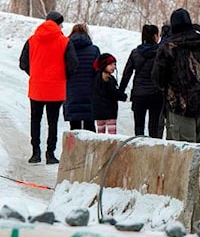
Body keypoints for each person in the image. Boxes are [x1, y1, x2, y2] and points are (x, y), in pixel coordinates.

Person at [151, 8, 200, 143]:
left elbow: (158, 77)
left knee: (182, 152)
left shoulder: (168, 47)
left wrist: (169, 92)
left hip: (180, 106)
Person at [19, 11, 78, 164]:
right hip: (56, 88)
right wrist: (63, 76)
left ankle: (35, 153)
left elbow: (23, 63)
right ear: (59, 24)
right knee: (52, 121)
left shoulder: (32, 40)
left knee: (35, 120)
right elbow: (73, 64)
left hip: (36, 87)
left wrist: (35, 73)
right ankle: (50, 154)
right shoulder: (64, 41)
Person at [119, 24, 164, 137]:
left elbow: (127, 73)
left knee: (139, 127)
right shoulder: (160, 52)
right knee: (154, 127)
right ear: (155, 36)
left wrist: (121, 90)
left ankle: (138, 149)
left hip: (139, 94)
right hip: (156, 94)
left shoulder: (135, 53)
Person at [63, 23, 100, 132]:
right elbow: (98, 71)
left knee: (74, 129)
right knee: (90, 127)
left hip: (71, 92)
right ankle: (92, 148)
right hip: (90, 93)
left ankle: (74, 149)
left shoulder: (66, 50)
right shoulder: (94, 50)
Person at [92, 53, 126, 134]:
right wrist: (123, 97)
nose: (114, 67)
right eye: (111, 64)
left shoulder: (96, 77)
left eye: (114, 64)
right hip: (110, 112)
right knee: (112, 136)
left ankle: (101, 147)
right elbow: (113, 93)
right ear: (104, 65)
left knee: (100, 136)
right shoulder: (108, 79)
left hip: (98, 112)